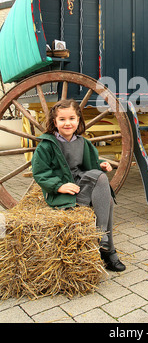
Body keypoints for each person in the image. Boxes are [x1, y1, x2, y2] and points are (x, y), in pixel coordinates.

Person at [31, 98, 125, 272]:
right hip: (65, 191)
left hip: (80, 185)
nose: (67, 123)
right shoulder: (47, 145)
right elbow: (40, 173)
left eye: (72, 119)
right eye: (62, 119)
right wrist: (58, 186)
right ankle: (107, 249)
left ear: (78, 120)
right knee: (108, 200)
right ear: (54, 122)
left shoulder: (83, 142)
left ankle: (103, 241)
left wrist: (100, 165)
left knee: (102, 182)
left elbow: (90, 166)